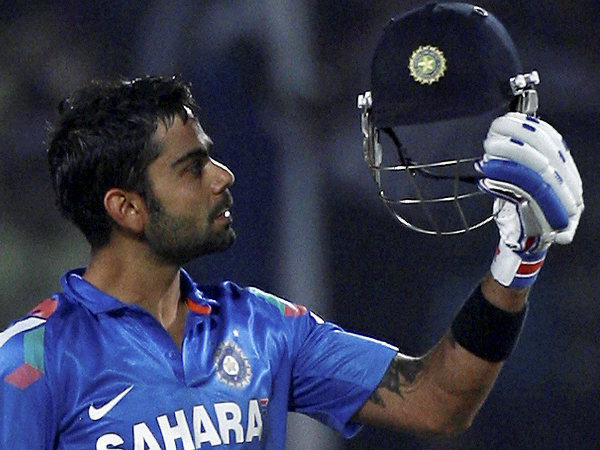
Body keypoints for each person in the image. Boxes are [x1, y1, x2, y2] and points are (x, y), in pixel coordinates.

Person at [0, 4, 583, 450]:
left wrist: (518, 261)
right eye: (193, 168)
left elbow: (437, 401)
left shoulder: (263, 327)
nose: (224, 176)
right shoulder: (31, 362)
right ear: (126, 208)